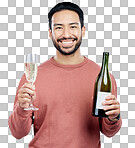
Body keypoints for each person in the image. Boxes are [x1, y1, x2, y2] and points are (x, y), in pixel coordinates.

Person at [8, 2, 122, 148]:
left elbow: (109, 132)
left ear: (83, 30)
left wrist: (114, 117)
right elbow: (18, 133)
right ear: (50, 33)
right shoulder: (32, 77)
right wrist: (21, 108)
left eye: (73, 26)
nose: (66, 34)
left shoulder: (101, 76)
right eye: (59, 27)